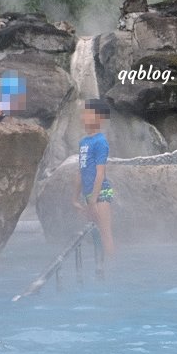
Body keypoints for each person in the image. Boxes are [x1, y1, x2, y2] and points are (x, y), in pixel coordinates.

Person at [73, 98, 115, 258]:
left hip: (101, 194)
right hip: (89, 195)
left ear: (99, 118)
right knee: (95, 234)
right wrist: (75, 198)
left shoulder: (100, 142)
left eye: (87, 113)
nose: (83, 116)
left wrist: (93, 199)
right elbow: (80, 170)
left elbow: (100, 173)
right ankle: (100, 269)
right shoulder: (84, 141)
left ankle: (110, 270)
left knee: (105, 233)